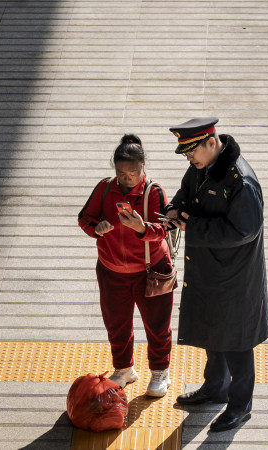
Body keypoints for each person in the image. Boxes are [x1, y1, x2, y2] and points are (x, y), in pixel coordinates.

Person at [164, 117, 268, 432]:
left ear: (211, 143)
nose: (189, 159)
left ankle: (240, 405)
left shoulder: (241, 181)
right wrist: (174, 209)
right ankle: (215, 387)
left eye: (191, 153)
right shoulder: (201, 166)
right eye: (186, 155)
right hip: (209, 269)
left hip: (236, 278)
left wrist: (192, 226)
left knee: (237, 343)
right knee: (214, 333)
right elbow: (186, 193)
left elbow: (244, 230)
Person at [78, 134, 175, 397]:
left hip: (151, 270)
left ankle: (160, 372)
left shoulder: (153, 192)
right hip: (111, 270)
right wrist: (96, 228)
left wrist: (141, 227)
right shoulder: (105, 188)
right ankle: (123, 369)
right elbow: (85, 218)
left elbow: (164, 229)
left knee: (157, 324)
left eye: (133, 173)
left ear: (143, 167)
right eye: (121, 173)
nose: (127, 178)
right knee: (116, 323)